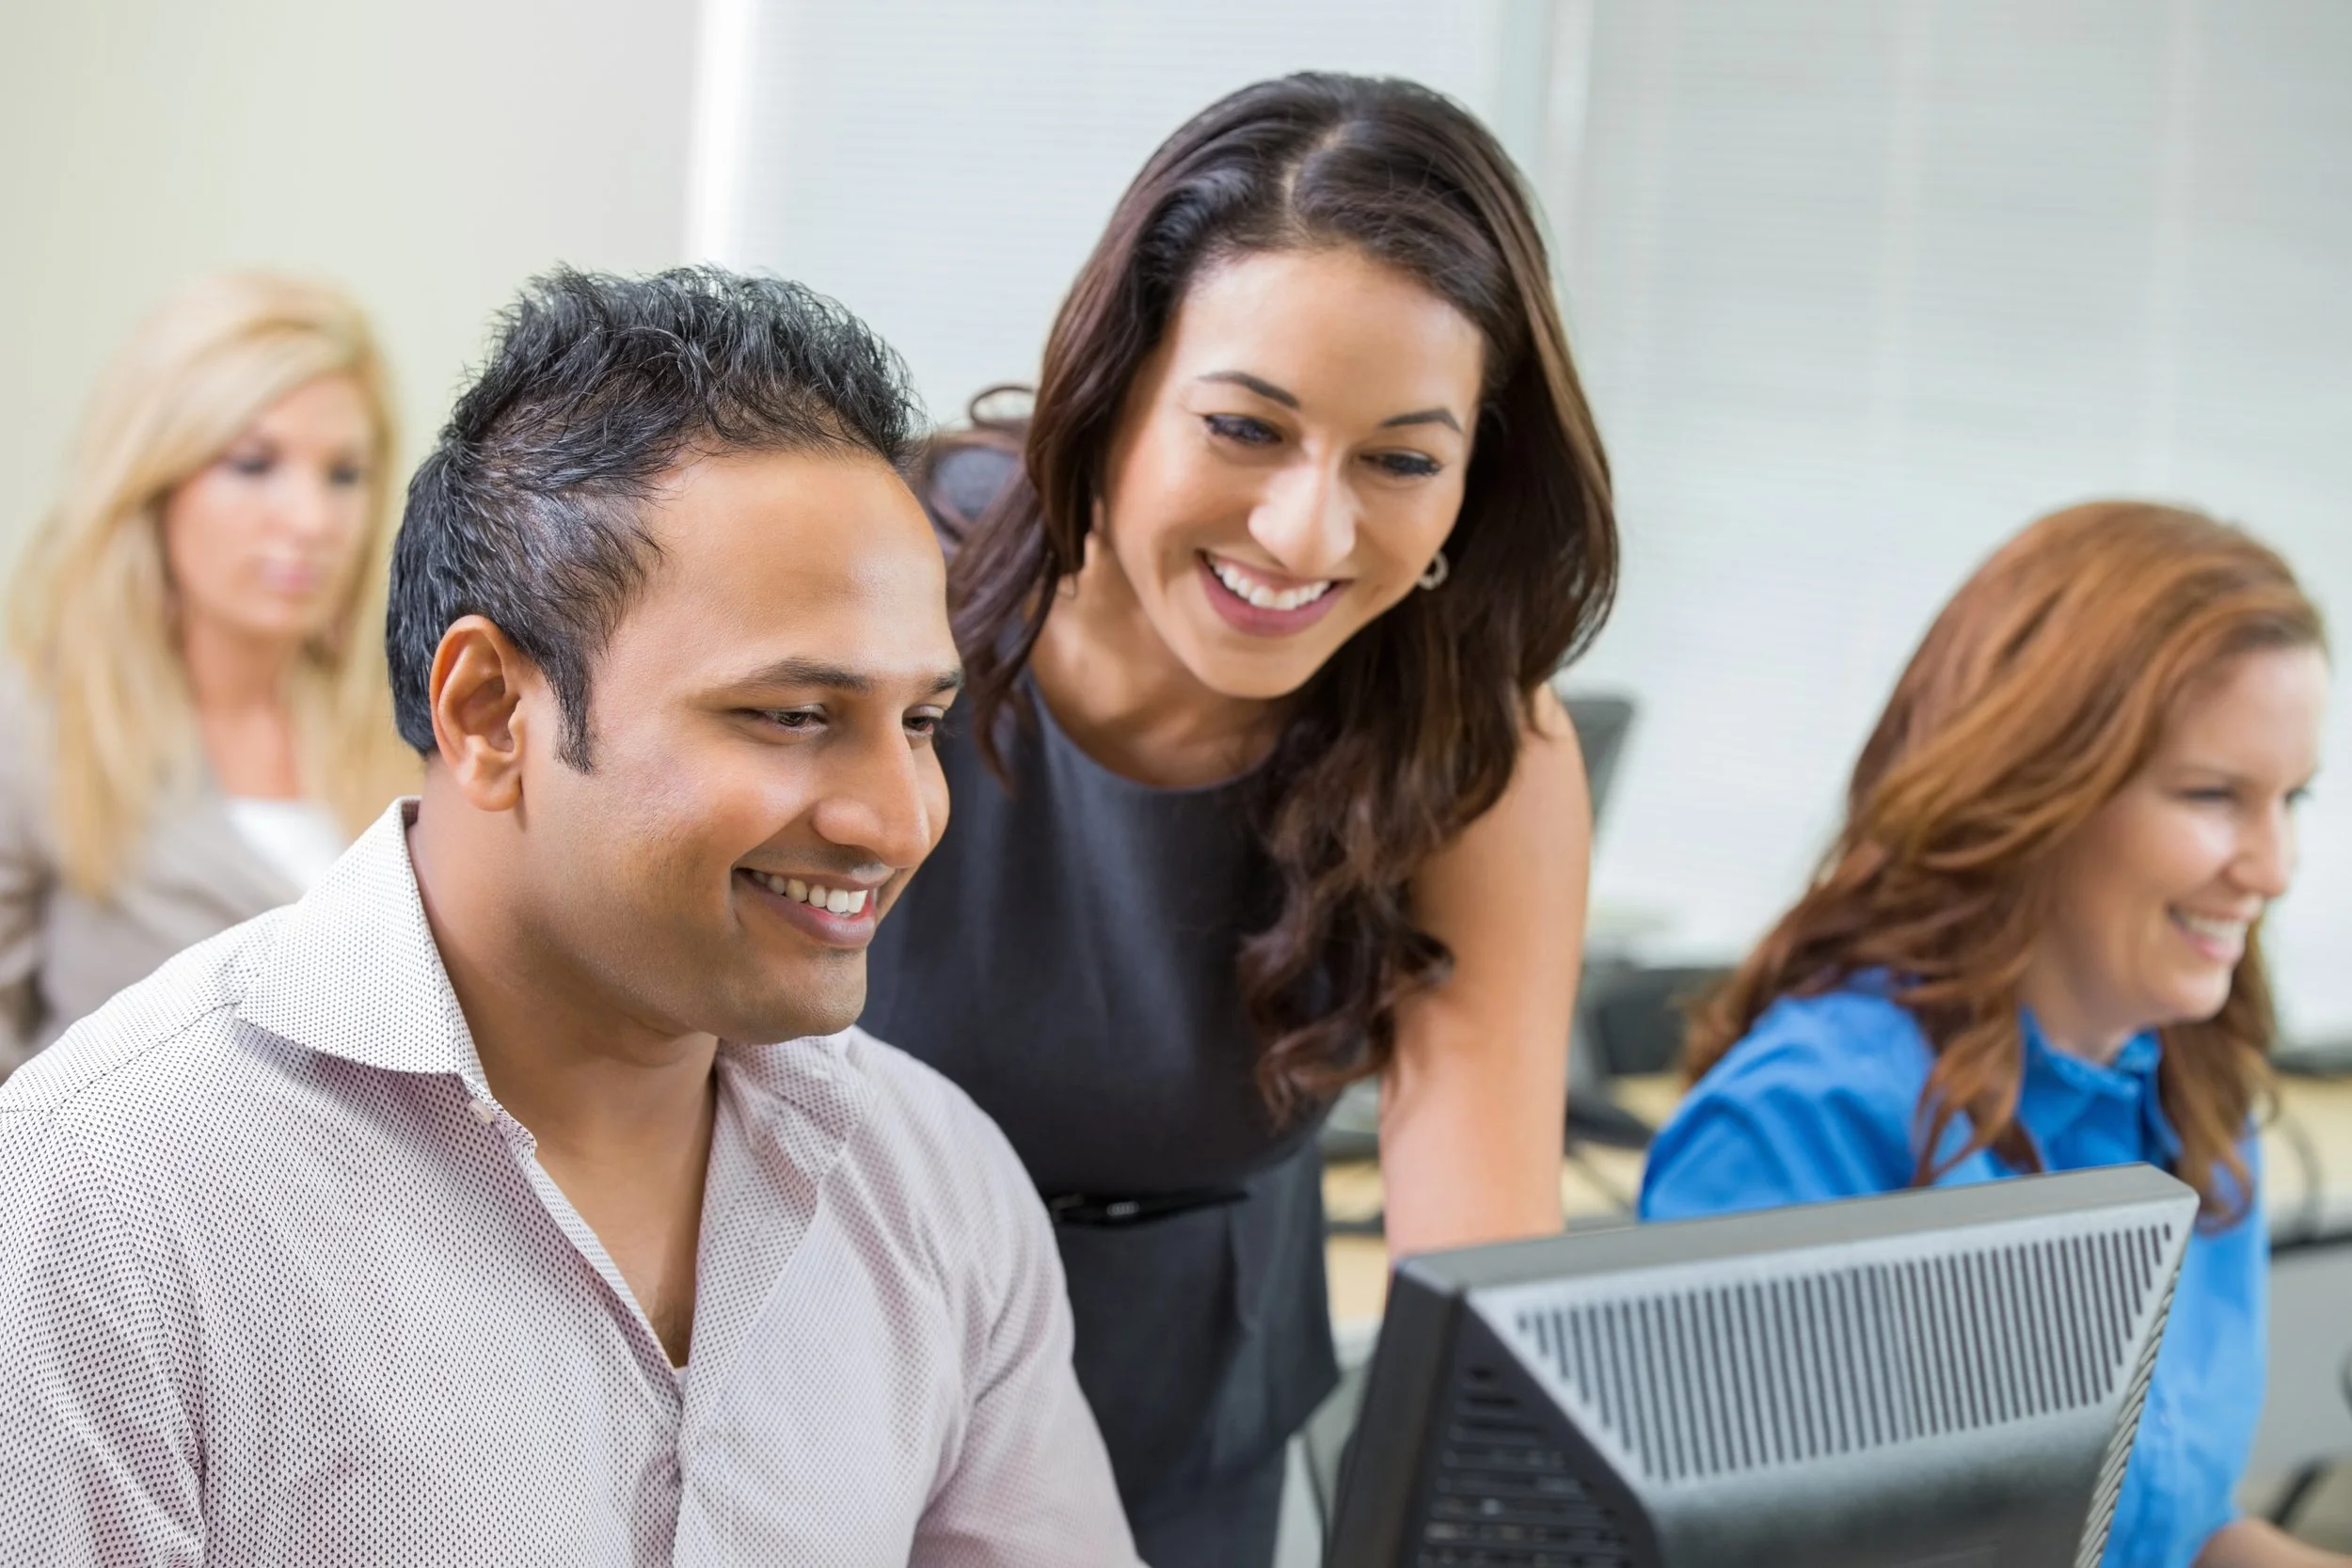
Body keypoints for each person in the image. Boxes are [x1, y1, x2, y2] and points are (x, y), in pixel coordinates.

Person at [0, 267, 1139, 1567]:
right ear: (489, 712)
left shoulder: (936, 1181)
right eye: (791, 714)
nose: (899, 816)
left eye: (921, 721)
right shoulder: (101, 1202)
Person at [861, 72, 1618, 1563]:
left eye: (1401, 458)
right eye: (1246, 427)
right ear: (1119, 385)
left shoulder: (1479, 746)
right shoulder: (887, 569)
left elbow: (1478, 1269)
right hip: (822, 1367)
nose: (1306, 532)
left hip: (1183, 1434)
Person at [1642, 502, 2343, 1568]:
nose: (2273, 864)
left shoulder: (2192, 1097)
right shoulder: (1801, 1123)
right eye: (2213, 796)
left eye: (2289, 798)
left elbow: (2169, 1527)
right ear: (2034, 787)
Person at [0, 271, 415, 1074]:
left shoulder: (413, 730)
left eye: (342, 475)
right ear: (157, 482)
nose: (311, 520)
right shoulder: (40, 726)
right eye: (254, 465)